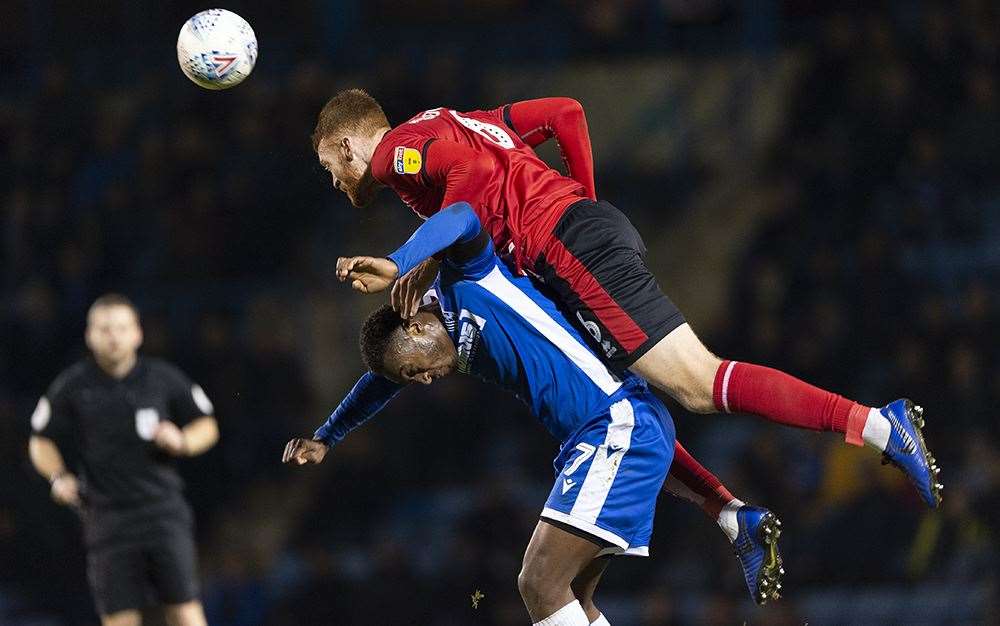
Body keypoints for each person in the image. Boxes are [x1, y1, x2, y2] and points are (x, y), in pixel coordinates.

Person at [312, 89, 942, 510]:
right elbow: (566, 113)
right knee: (612, 398)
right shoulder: (454, 122)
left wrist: (405, 258)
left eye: (328, 170)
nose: (336, 185)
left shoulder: (397, 156)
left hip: (570, 247)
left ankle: (879, 426)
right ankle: (732, 517)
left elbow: (473, 187)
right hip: (572, 241)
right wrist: (579, 201)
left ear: (346, 147)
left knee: (698, 384)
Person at [283, 204, 783, 625]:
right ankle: (733, 515)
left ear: (415, 326)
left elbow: (462, 214)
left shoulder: (470, 279)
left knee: (539, 581)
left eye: (416, 370)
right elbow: (380, 380)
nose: (424, 381)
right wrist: (328, 436)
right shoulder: (441, 341)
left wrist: (398, 261)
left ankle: (734, 512)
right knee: (575, 600)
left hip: (615, 424)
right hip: (602, 434)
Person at [28, 294, 219, 626]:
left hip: (162, 513)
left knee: (184, 611)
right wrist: (58, 476)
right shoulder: (72, 385)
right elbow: (40, 439)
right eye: (105, 329)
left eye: (121, 328)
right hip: (106, 518)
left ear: (137, 334)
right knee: (119, 619)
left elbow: (207, 424)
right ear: (90, 335)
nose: (114, 337)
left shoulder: (163, 377)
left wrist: (183, 440)